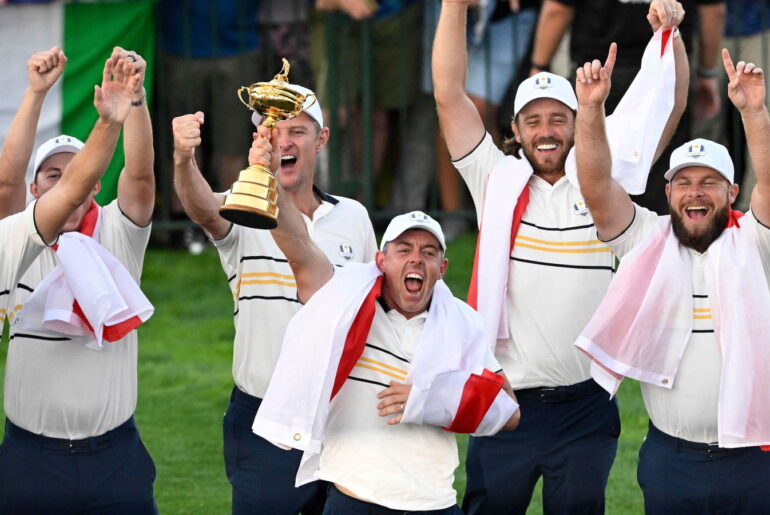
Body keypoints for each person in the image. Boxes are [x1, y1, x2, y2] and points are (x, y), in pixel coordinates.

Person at [432, 0, 689, 512]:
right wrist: (454, 6)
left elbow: (672, 105)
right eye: (533, 121)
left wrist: (672, 38)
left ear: (577, 124)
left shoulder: (604, 186)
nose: (546, 130)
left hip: (584, 407)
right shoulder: (493, 179)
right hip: (505, 401)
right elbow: (448, 94)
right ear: (515, 130)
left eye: (558, 118)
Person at [247, 129, 520, 510]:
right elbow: (299, 246)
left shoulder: (463, 323)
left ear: (442, 268)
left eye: (428, 252)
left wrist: (431, 399)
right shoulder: (345, 299)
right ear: (381, 260)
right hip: (355, 501)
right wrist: (268, 179)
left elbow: (509, 411)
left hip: (433, 503)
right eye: (404, 249)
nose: (416, 259)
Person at [573, 48, 770, 514]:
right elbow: (596, 188)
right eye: (684, 182)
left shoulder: (755, 241)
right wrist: (590, 111)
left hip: (755, 459)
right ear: (667, 193)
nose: (695, 192)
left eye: (709, 182)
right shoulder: (646, 239)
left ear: (732, 193)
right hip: (671, 458)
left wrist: (754, 112)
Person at [172, 85, 377, 514]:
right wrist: (184, 158)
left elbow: (371, 315)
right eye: (273, 132)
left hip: (338, 416)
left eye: (297, 131)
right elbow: (202, 207)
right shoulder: (243, 208)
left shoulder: (354, 217)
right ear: (259, 141)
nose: (284, 142)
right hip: (264, 417)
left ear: (321, 139)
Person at [0, 48, 158, 513]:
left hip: (114, 456)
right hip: (29, 458)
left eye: (77, 173)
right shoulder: (17, 241)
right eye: (53, 176)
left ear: (94, 184)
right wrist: (35, 93)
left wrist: (135, 99)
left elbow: (141, 175)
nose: (66, 184)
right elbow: (6, 186)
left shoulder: (117, 232)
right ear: (35, 190)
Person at [530, 0, 726, 214]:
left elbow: (557, 10)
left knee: (589, 178)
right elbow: (713, 11)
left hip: (599, 71)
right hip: (650, 67)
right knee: (645, 181)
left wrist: (539, 66)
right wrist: (706, 72)